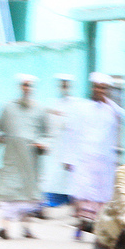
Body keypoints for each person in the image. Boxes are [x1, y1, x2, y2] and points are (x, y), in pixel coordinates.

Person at [66, 72, 124, 239]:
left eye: (104, 88)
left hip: (104, 161)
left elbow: (123, 117)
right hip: (84, 158)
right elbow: (72, 133)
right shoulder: (82, 107)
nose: (100, 90)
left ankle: (98, 230)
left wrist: (108, 101)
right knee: (83, 195)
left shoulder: (112, 110)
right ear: (92, 88)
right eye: (98, 87)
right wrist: (69, 158)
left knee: (101, 197)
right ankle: (80, 226)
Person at [0, 74, 49, 239]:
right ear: (20, 87)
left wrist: (41, 143)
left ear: (33, 89)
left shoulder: (40, 110)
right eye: (24, 85)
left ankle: (26, 228)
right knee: (9, 193)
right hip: (12, 157)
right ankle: (5, 228)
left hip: (30, 161)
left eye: (29, 86)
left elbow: (46, 134)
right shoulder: (8, 108)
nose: (26, 88)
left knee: (28, 195)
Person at [40, 73, 80, 210]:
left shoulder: (75, 104)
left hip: (68, 145)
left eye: (66, 84)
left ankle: (66, 202)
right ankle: (50, 202)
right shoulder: (52, 103)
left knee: (65, 177)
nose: (64, 87)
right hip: (54, 145)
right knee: (52, 174)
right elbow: (47, 125)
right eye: (62, 84)